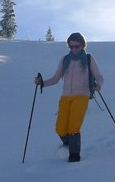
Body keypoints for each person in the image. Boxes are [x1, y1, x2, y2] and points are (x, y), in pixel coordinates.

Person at [34, 32, 103, 162]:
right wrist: (42, 83)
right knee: (60, 128)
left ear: (82, 45)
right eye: (71, 46)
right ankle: (68, 145)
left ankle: (74, 155)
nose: (73, 49)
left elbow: (99, 77)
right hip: (65, 96)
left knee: (73, 126)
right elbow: (55, 79)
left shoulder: (88, 59)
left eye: (76, 46)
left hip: (82, 95)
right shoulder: (65, 60)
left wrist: (98, 85)